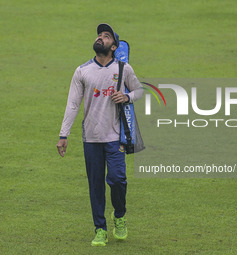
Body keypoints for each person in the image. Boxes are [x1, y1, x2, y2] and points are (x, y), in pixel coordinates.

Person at [56, 23, 143, 246]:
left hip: (115, 138)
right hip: (91, 139)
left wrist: (127, 97)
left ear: (113, 46)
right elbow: (73, 104)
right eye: (99, 35)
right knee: (95, 186)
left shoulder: (123, 69)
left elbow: (139, 90)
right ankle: (100, 229)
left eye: (106, 36)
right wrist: (63, 134)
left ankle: (119, 215)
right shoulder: (82, 71)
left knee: (117, 180)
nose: (100, 38)